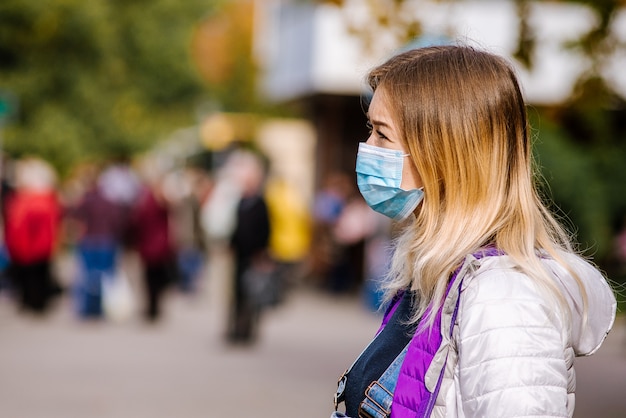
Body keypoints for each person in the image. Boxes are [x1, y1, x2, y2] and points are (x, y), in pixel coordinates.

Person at [332, 45, 616, 418]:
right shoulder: (436, 278)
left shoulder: (505, 297)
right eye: (371, 129)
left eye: (382, 135)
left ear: (443, 154)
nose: (367, 148)